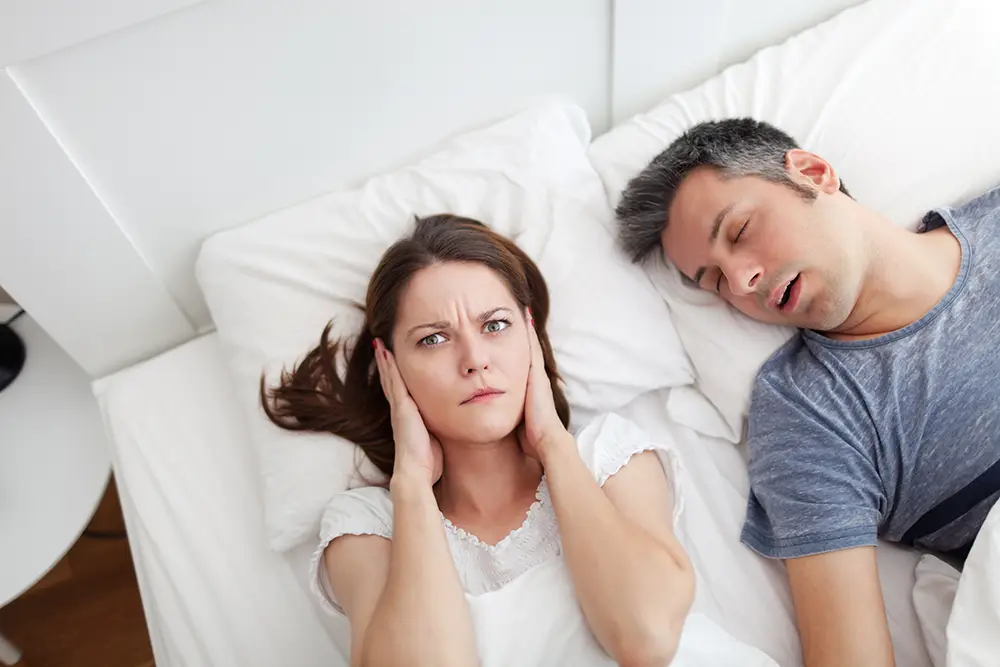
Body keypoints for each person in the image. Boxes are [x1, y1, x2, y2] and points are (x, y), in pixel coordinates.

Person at [262, 214, 779, 667]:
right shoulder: (368, 527)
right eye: (433, 338)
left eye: (496, 325)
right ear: (390, 366)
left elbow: (645, 639)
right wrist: (413, 485)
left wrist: (554, 444)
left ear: (531, 338)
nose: (474, 359)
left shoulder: (608, 457)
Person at [614, 118, 1000, 667]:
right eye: (716, 281)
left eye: (741, 231)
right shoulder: (811, 413)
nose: (742, 281)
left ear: (813, 173)